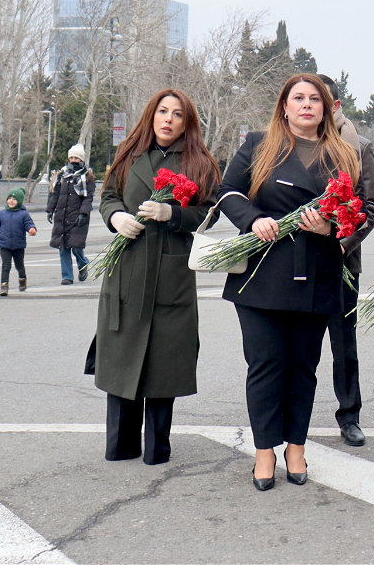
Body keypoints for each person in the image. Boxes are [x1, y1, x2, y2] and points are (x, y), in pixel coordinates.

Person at [220, 75, 360, 491]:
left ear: (327, 107)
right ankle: (264, 450)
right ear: (284, 106)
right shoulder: (259, 144)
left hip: (315, 275)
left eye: (314, 99)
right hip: (261, 276)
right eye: (297, 98)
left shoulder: (342, 154)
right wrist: (253, 219)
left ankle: (295, 446)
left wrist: (330, 228)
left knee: (303, 367)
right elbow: (227, 190)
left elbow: (355, 212)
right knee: (265, 364)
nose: (306, 105)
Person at [89, 89, 222, 466]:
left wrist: (171, 214)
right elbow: (109, 197)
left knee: (165, 361)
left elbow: (210, 214)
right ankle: (121, 445)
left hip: (171, 271)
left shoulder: (199, 163)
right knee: (121, 355)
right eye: (162, 111)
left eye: (177, 114)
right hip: (128, 265)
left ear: (186, 122)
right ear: (151, 115)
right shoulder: (129, 155)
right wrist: (116, 218)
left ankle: (157, 448)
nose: (168, 119)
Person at [317, 73, 374, 448]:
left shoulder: (360, 146)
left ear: (336, 106)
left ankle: (349, 415)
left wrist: (343, 243)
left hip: (342, 260)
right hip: (298, 261)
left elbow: (371, 207)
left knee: (344, 344)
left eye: (322, 100)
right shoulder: (289, 147)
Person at [46, 146, 95, 285]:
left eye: (77, 158)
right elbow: (56, 195)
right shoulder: (62, 175)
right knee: (63, 246)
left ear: (81, 159)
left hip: (78, 216)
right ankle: (67, 276)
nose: (73, 160)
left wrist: (83, 213)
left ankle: (83, 263)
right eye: (72, 158)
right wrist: (50, 210)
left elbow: (87, 198)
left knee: (76, 246)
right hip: (62, 215)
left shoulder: (87, 177)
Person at [0, 188, 37, 295]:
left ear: (19, 201)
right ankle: (4, 286)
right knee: (6, 265)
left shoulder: (23, 214)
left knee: (19, 265)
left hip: (18, 245)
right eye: (9, 198)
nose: (11, 201)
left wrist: (32, 229)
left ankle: (22, 279)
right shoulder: (1, 214)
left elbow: (29, 224)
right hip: (5, 245)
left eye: (14, 199)